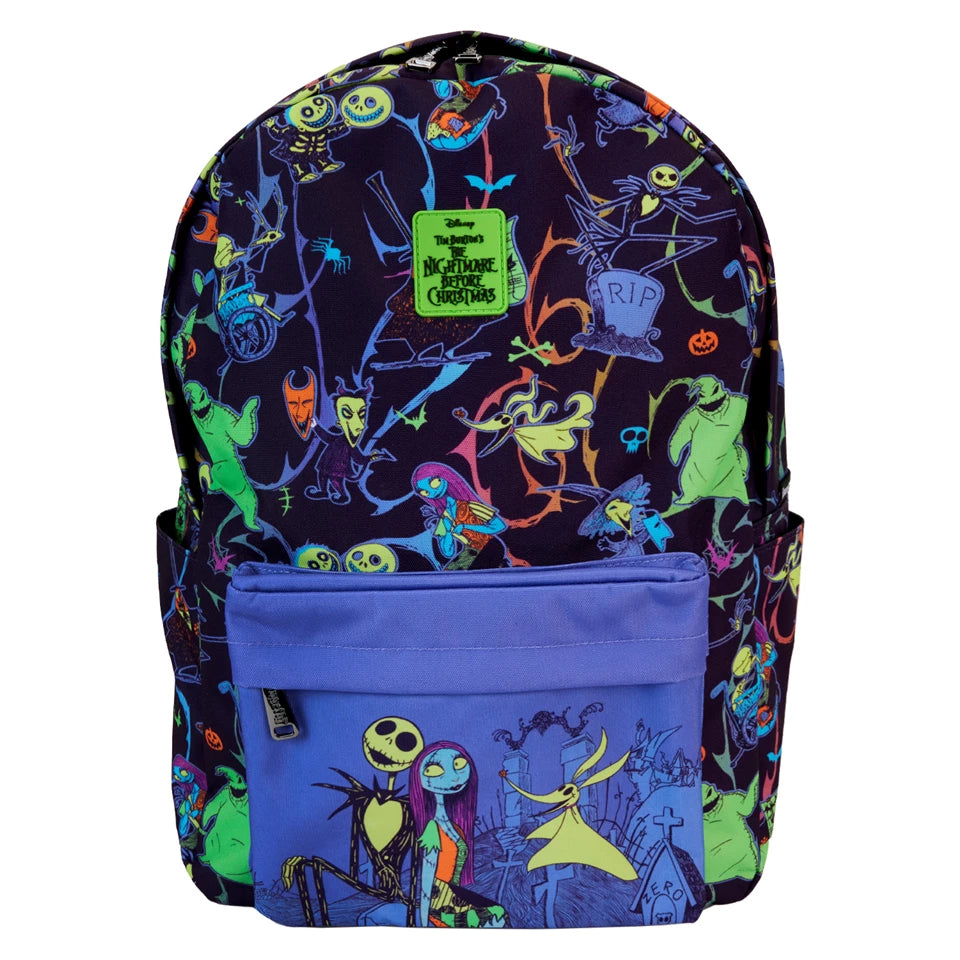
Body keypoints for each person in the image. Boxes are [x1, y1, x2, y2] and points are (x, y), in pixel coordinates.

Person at [409, 741, 508, 928]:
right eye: (434, 771)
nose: (453, 777)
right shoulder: (432, 828)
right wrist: (423, 922)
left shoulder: (457, 828)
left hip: (453, 893)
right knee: (494, 915)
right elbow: (427, 876)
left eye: (459, 765)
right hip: (438, 900)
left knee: (497, 914)